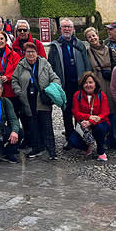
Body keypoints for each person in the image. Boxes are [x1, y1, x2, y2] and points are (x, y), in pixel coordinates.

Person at [11, 41, 60, 160]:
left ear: (37, 53)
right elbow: (14, 80)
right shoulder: (21, 65)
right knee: (33, 125)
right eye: (28, 52)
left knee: (46, 125)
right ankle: (36, 147)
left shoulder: (44, 64)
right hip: (28, 99)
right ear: (24, 53)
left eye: (33, 52)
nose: (31, 54)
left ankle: (51, 151)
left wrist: (51, 89)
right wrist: (19, 91)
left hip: (42, 98)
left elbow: (55, 78)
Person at [47, 18, 90, 148]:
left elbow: (86, 63)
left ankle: (80, 137)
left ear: (73, 29)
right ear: (60, 29)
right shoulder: (55, 46)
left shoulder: (79, 45)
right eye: (64, 27)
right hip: (64, 85)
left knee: (80, 112)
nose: (66, 29)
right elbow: (51, 66)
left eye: (69, 27)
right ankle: (70, 138)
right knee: (66, 113)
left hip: (79, 84)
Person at [85, 27, 116, 149]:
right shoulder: (87, 52)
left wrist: (113, 73)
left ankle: (115, 138)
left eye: (93, 35)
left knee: (113, 112)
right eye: (89, 37)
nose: (92, 38)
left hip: (111, 83)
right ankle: (104, 140)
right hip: (98, 85)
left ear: (97, 35)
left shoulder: (110, 50)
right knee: (101, 112)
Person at [71, 72, 111, 162]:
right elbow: (75, 112)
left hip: (100, 123)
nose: (88, 85)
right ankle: (87, 146)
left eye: (90, 82)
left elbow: (104, 113)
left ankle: (101, 151)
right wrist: (89, 117)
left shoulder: (102, 95)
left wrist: (91, 122)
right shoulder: (77, 95)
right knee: (73, 141)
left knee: (100, 129)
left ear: (95, 84)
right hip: (84, 123)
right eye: (85, 83)